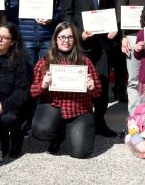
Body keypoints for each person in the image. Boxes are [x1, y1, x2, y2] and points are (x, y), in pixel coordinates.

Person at [61, 0, 117, 137]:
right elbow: (67, 14)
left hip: (102, 45)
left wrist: (113, 28)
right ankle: (79, 122)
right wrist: (78, 34)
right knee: (80, 84)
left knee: (100, 84)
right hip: (82, 45)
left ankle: (99, 121)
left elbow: (111, 11)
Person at [30, 22, 102, 158]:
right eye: (62, 37)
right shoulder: (45, 62)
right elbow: (32, 91)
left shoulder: (84, 61)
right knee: (41, 129)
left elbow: (98, 92)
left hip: (79, 110)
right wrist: (43, 85)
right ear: (55, 39)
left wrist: (92, 87)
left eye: (70, 37)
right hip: (54, 107)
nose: (66, 41)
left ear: (75, 40)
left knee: (80, 153)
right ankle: (58, 134)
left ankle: (71, 132)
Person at [0, 23, 31, 158]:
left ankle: (17, 139)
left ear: (12, 42)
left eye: (4, 38)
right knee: (1, 150)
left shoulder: (20, 61)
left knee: (8, 119)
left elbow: (21, 93)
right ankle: (2, 140)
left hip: (12, 105)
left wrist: (4, 106)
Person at [99, 0, 132, 102]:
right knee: (103, 56)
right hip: (100, 18)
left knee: (120, 58)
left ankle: (120, 89)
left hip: (121, 16)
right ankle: (101, 92)